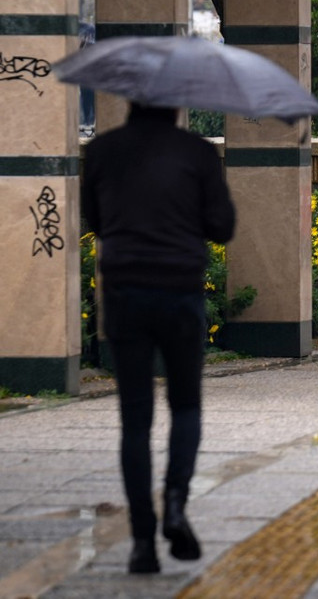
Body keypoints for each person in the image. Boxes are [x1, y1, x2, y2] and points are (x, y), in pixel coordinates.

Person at [82, 103, 236, 574]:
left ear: (131, 101)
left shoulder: (103, 151)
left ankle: (142, 543)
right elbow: (223, 227)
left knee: (135, 419)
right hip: (180, 292)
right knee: (185, 405)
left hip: (125, 293)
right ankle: (174, 503)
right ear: (174, 103)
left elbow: (94, 220)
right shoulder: (197, 152)